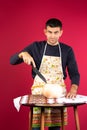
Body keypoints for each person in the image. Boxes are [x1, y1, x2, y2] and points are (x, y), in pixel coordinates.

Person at [10, 18, 80, 130]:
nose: (52, 36)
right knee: (36, 127)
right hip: (39, 95)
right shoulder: (36, 47)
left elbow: (75, 73)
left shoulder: (67, 50)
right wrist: (22, 54)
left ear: (61, 32)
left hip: (58, 95)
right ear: (45, 32)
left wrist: (74, 89)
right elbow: (12, 61)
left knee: (55, 127)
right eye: (50, 32)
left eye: (56, 32)